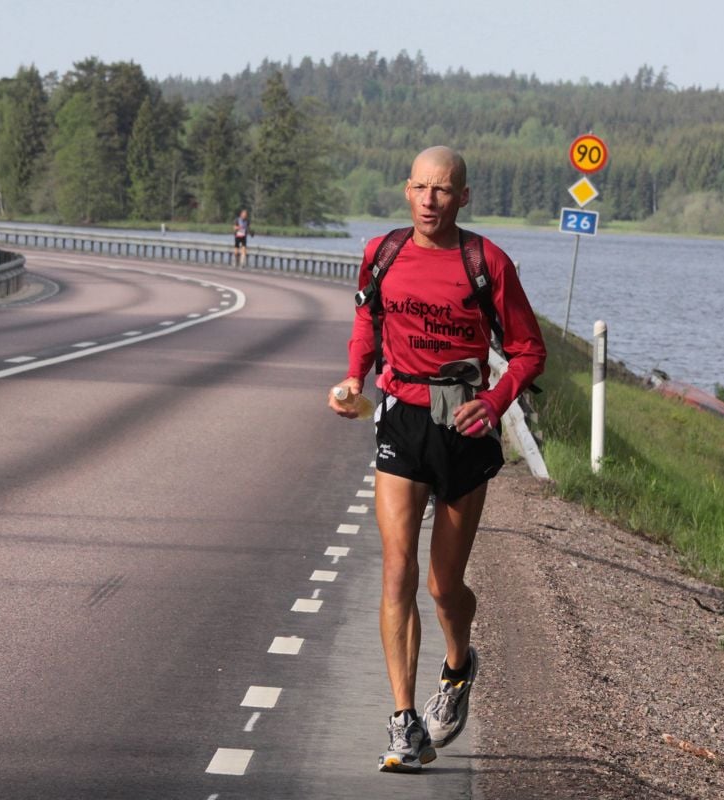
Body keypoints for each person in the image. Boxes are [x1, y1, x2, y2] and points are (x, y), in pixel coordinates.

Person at [328, 146, 546, 772]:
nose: (430, 200)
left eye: (443, 190)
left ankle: (457, 665)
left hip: (464, 422)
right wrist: (353, 379)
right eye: (421, 188)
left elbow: (529, 352)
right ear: (406, 190)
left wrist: (497, 400)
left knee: (443, 585)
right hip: (402, 417)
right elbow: (367, 320)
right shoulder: (383, 253)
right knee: (396, 571)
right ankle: (404, 723)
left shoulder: (487, 262)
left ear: (463, 197)